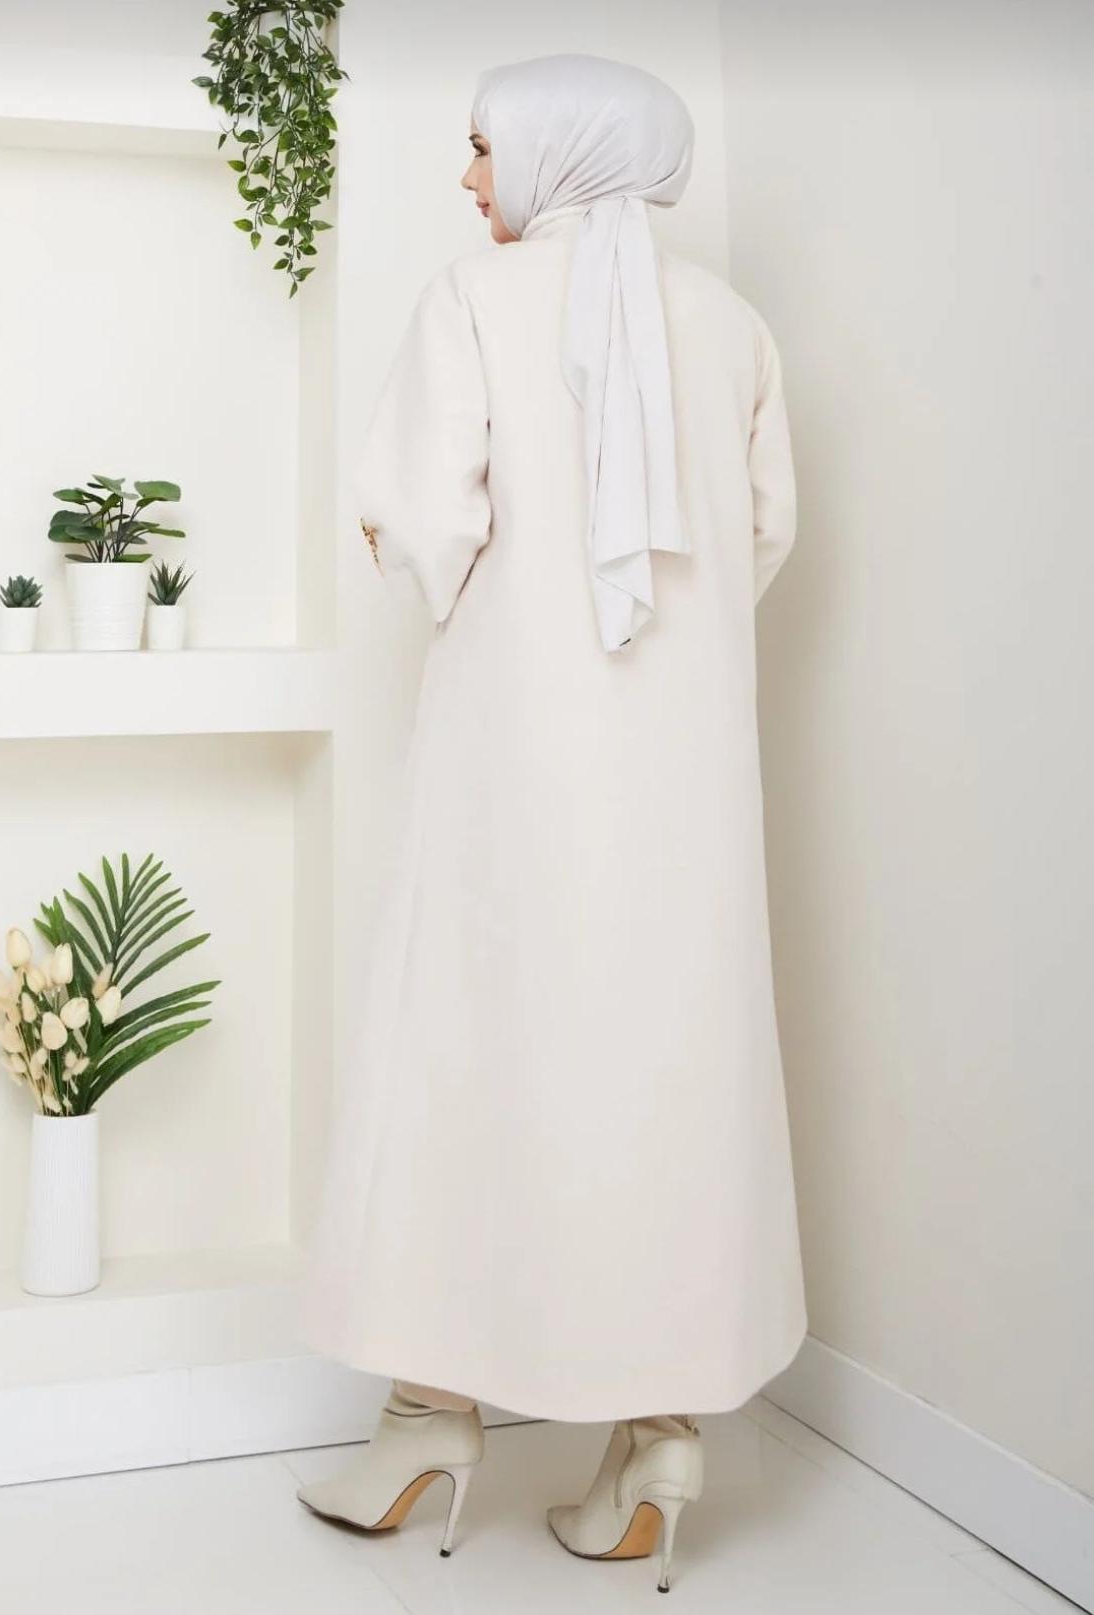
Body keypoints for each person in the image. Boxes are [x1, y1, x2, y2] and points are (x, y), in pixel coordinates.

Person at [296, 52, 806, 1594]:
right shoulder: (734, 328)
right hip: (687, 770)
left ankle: (429, 1416)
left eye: (482, 147)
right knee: (668, 1063)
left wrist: (439, 558)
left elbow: (422, 518)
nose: (468, 179)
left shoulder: (474, 298)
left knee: (468, 1044)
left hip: (513, 755)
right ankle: (657, 1443)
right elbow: (764, 536)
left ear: (560, 150)